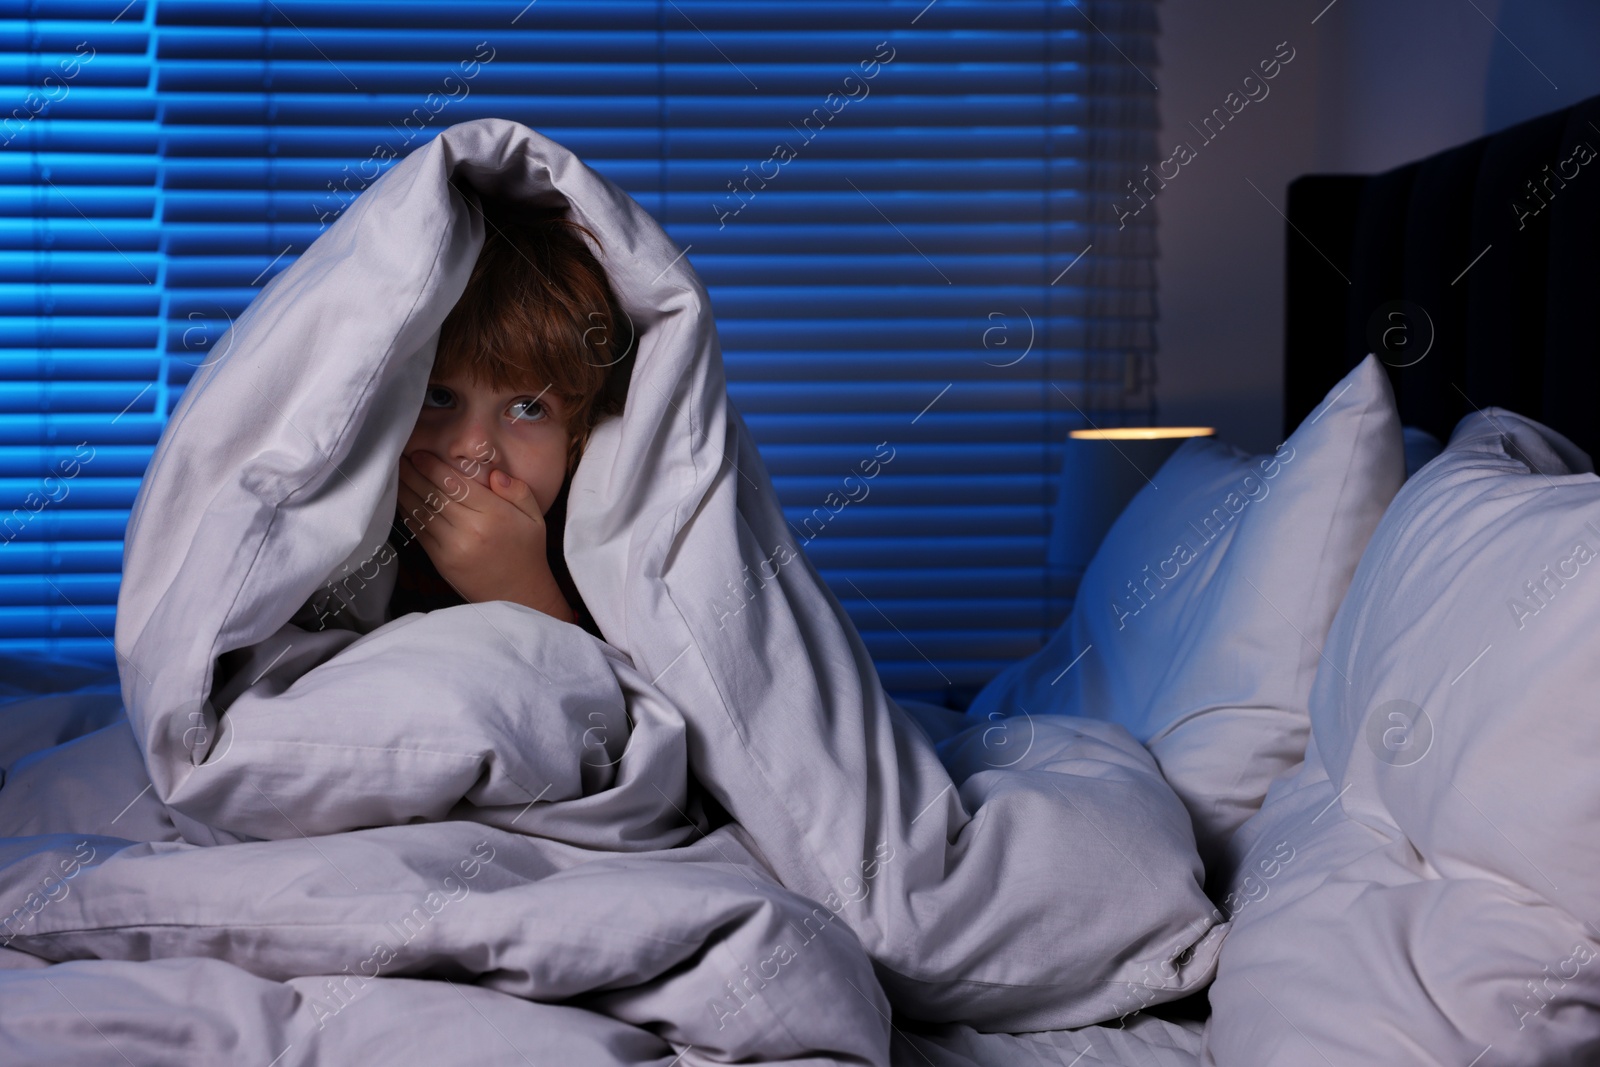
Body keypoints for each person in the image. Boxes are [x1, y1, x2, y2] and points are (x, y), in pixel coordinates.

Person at [387, 189, 634, 641]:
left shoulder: (607, 561)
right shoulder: (359, 538)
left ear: (578, 438)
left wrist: (526, 594)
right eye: (438, 397)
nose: (473, 447)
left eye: (528, 407)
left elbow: (620, 706)